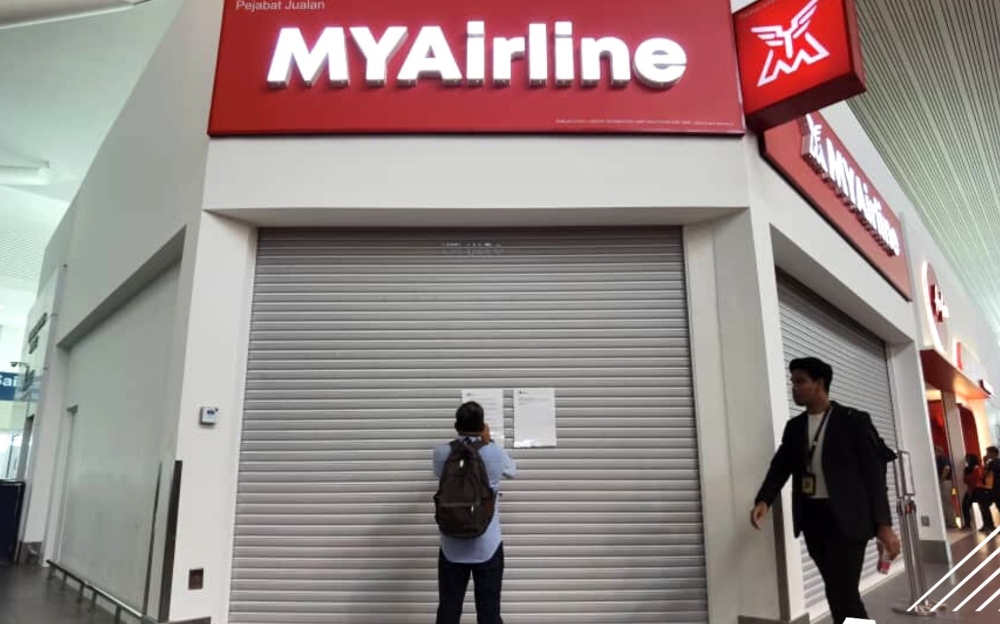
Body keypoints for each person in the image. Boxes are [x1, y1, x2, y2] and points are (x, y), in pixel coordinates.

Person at [750, 357, 901, 624]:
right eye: (792, 381)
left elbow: (874, 475)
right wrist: (764, 499)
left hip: (848, 519)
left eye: (800, 382)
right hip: (813, 519)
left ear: (819, 384)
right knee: (837, 590)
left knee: (843, 592)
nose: (794, 387)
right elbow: (781, 466)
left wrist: (884, 525)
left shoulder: (853, 421)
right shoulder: (795, 427)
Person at [433, 402, 517, 624]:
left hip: (451, 547)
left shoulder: (441, 452)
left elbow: (438, 474)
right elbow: (512, 471)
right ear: (482, 426)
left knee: (449, 612)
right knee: (489, 614)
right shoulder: (495, 452)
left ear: (456, 425)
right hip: (487, 545)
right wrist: (488, 441)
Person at [962, 453, 985, 530]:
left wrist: (969, 478)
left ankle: (986, 524)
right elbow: (965, 480)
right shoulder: (968, 469)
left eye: (968, 459)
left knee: (982, 507)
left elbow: (976, 478)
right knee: (965, 506)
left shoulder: (976, 468)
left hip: (977, 489)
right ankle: (968, 524)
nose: (967, 460)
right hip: (971, 489)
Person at [936, 446, 958, 528]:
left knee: (947, 502)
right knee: (945, 502)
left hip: (945, 482)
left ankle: (951, 522)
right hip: (945, 482)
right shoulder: (941, 459)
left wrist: (941, 479)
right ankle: (948, 522)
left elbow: (947, 468)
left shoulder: (943, 459)